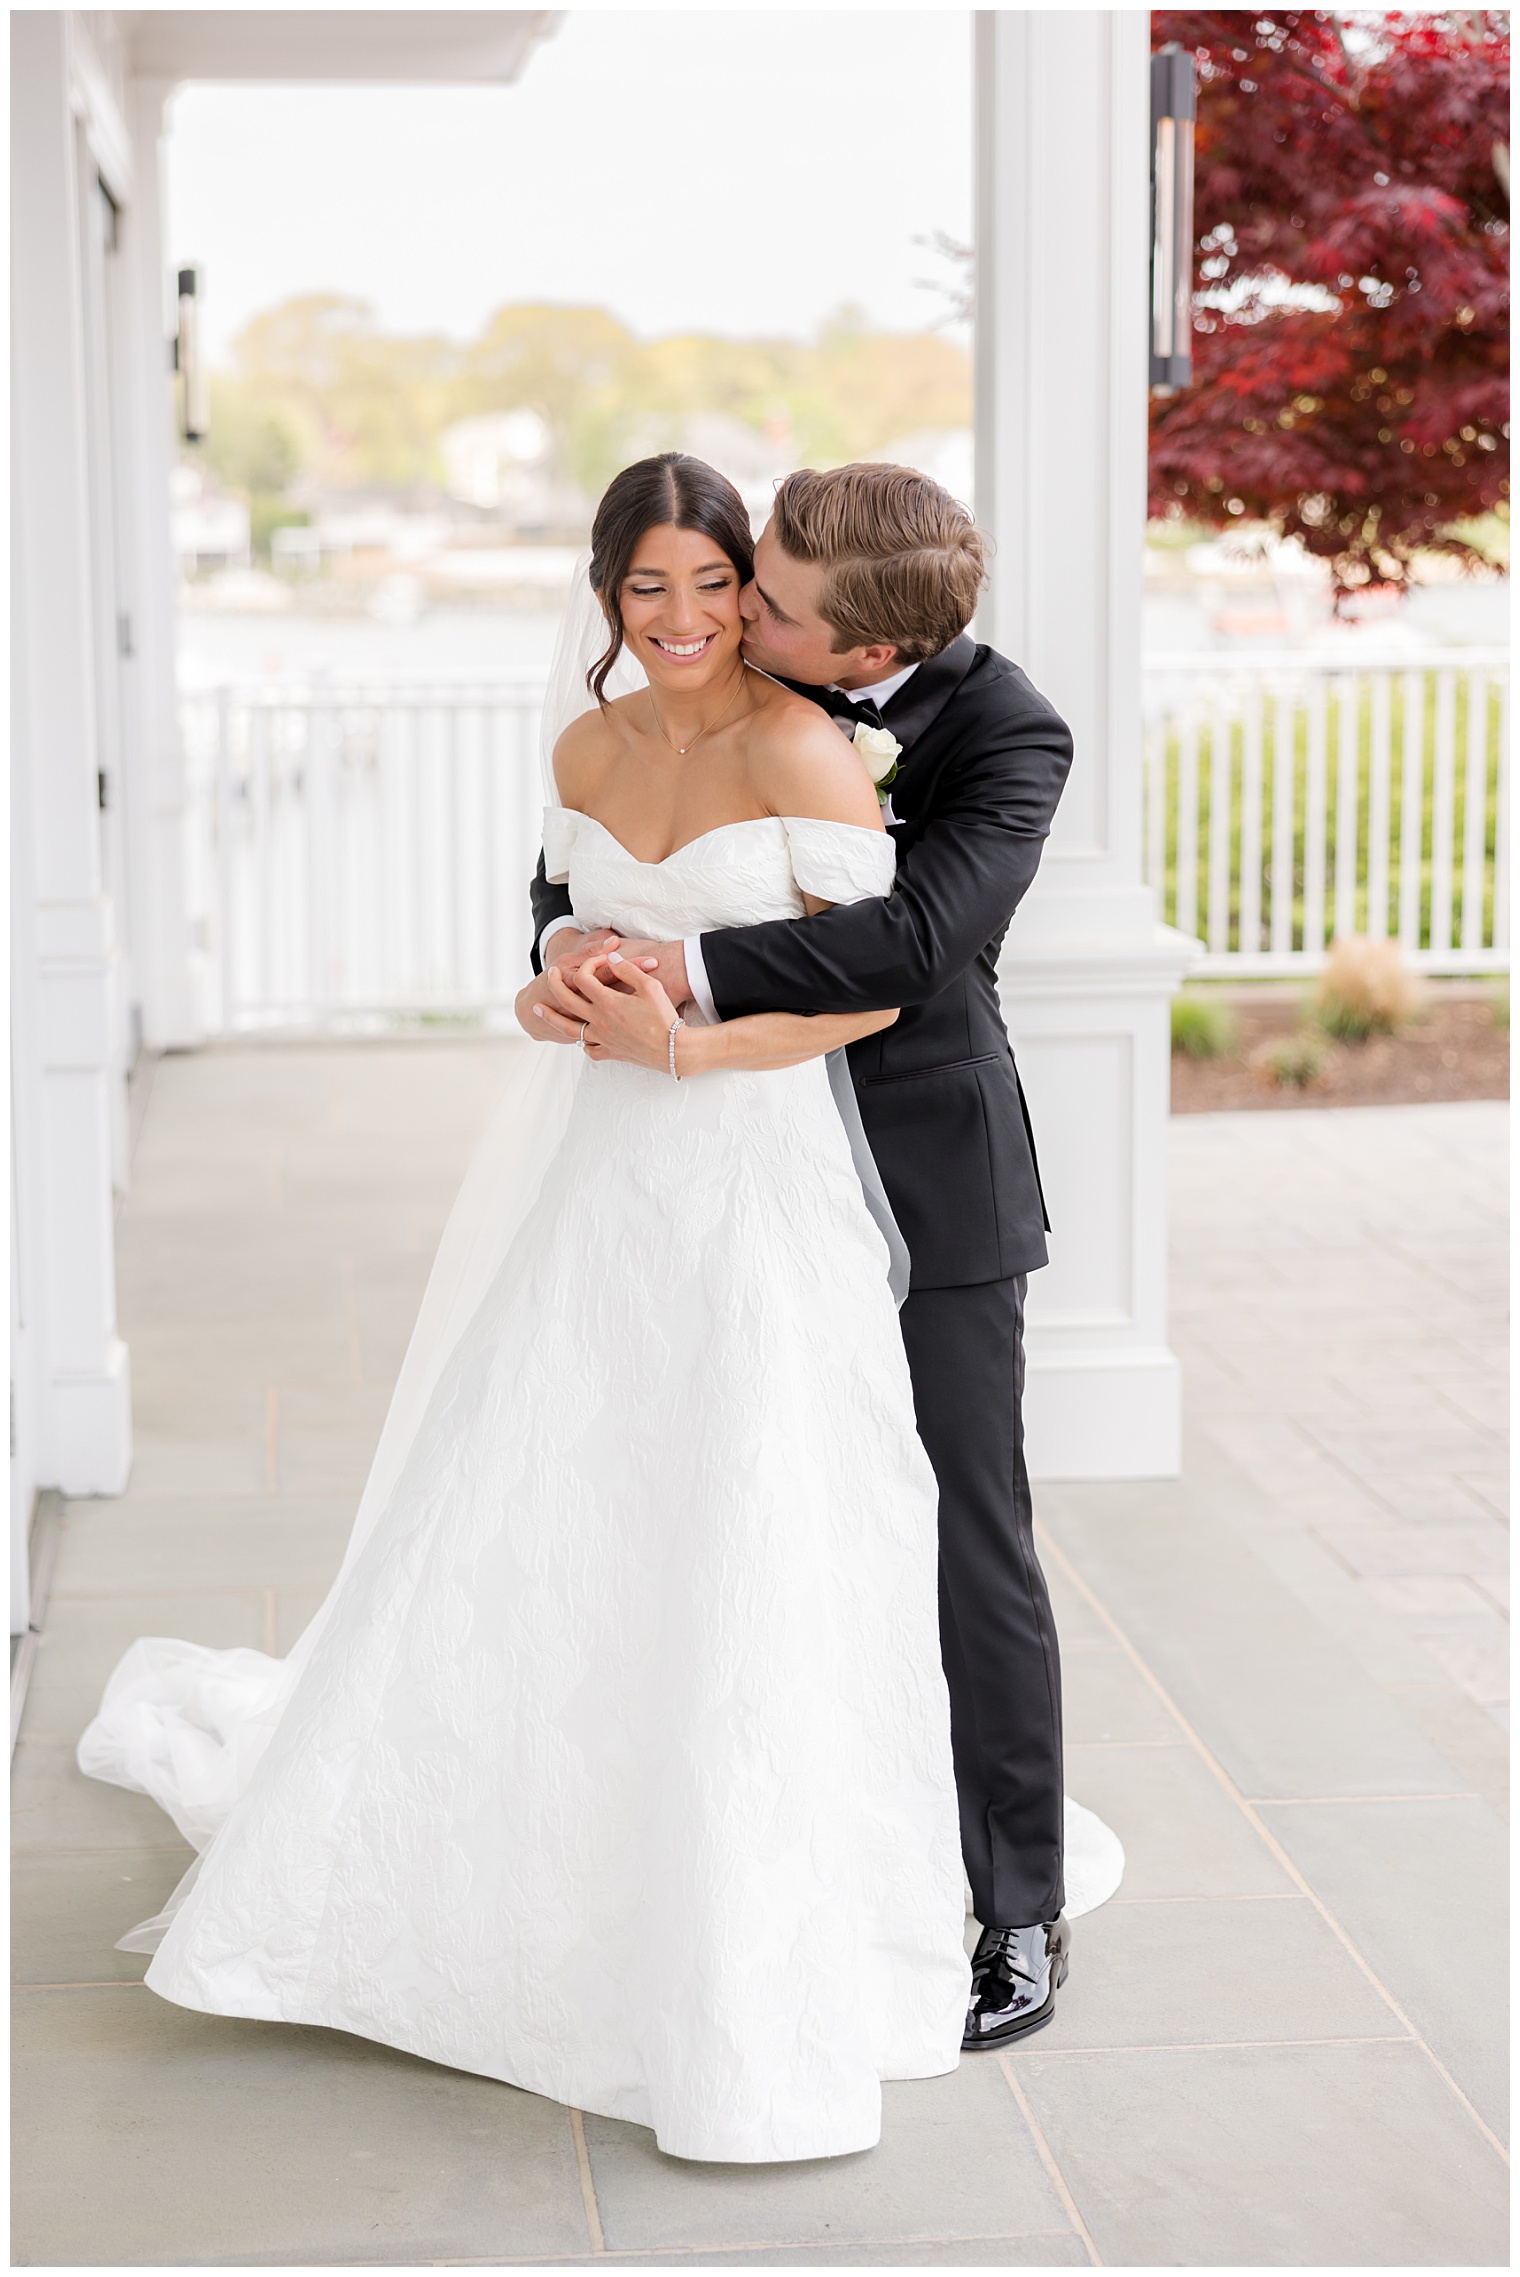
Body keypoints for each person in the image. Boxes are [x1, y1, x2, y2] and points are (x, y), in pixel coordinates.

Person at [78, 454, 979, 2166]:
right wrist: (555, 988)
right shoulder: (580, 751)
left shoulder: (806, 748)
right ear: (607, 596)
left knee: (741, 1509)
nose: (690, 620)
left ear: (757, 591)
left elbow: (864, 994)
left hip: (751, 1177)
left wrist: (692, 1044)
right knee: (548, 1497)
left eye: (719, 586)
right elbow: (552, 936)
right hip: (605, 1173)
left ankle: (728, 1925)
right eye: (653, 589)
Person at [530, 460, 1101, 2052]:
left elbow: (918, 947)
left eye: (764, 601)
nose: (734, 612)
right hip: (703, 1180)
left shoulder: (1008, 733)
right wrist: (573, 949)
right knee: (706, 1504)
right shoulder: (749, 653)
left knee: (966, 1528)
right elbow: (564, 875)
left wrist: (678, 970)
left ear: (859, 658)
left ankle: (1017, 1906)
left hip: (924, 1174)